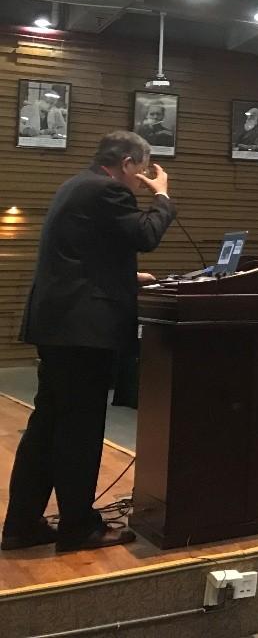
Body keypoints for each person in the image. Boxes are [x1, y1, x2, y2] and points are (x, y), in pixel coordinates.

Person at [2, 132, 174, 553]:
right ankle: (79, 528)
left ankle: (22, 525)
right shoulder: (108, 190)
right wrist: (163, 196)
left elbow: (82, 254)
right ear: (128, 163)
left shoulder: (76, 185)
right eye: (142, 171)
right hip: (83, 331)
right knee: (79, 430)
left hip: (61, 324)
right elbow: (146, 235)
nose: (142, 181)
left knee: (47, 427)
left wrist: (125, 277)